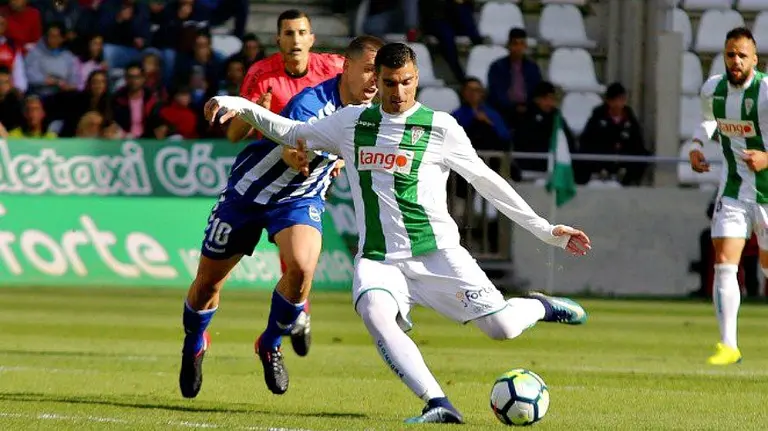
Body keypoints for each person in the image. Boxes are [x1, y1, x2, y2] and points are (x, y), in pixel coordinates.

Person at [205, 43, 591, 424]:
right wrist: (241, 105)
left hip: (437, 254)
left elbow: (487, 181)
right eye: (390, 83)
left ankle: (541, 305)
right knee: (375, 312)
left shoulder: (440, 128)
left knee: (503, 328)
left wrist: (545, 229)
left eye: (406, 82)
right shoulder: (352, 123)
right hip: (378, 259)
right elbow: (293, 132)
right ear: (379, 80)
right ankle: (437, 403)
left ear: (417, 78)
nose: (399, 92)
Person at [179, 35, 384, 399]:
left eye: (379, 73)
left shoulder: (377, 114)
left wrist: (337, 160)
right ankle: (195, 342)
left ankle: (269, 343)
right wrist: (297, 158)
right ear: (347, 68)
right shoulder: (312, 104)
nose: (374, 81)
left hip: (299, 199)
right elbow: (292, 147)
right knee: (207, 286)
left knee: (302, 270)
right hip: (249, 192)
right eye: (368, 70)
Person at [227, 10, 346, 348]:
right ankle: (297, 311)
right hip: (268, 173)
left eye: (301, 33)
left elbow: (360, 104)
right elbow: (235, 134)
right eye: (288, 33)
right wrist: (256, 112)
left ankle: (298, 311)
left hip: (313, 172)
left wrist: (341, 155)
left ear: (312, 38)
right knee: (286, 252)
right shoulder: (261, 75)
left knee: (301, 257)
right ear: (277, 39)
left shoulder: (335, 68)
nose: (295, 40)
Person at [689, 27, 768, 365]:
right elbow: (709, 121)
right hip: (733, 189)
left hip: (766, 194)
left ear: (755, 59)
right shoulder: (713, 89)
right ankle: (728, 345)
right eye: (730, 55)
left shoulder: (765, 92)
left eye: (741, 55)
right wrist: (695, 145)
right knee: (725, 264)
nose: (735, 61)